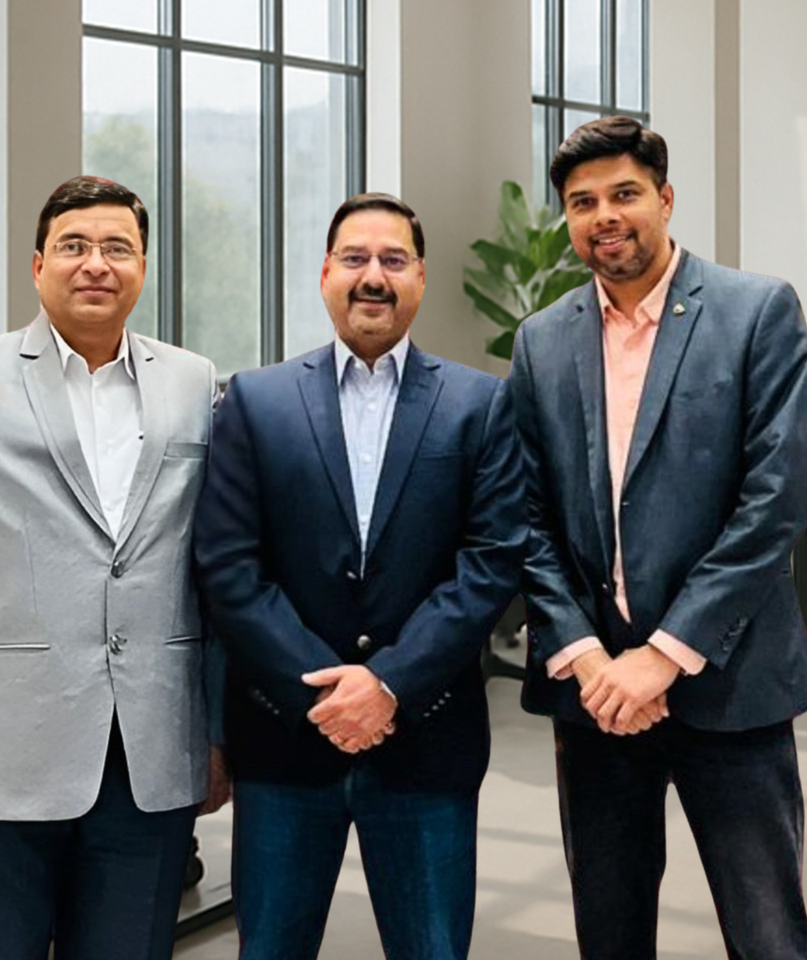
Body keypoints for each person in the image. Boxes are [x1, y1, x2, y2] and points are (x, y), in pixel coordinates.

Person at [0, 176, 226, 960]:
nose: (96, 263)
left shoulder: (194, 382)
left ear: (142, 267)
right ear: (38, 266)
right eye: (74, 246)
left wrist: (215, 734)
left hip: (150, 756)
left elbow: (212, 573)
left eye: (117, 248)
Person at [509, 116, 807, 960]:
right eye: (583, 203)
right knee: (609, 930)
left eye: (624, 194)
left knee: (766, 933)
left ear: (666, 199)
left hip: (730, 681)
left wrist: (664, 653)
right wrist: (586, 656)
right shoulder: (542, 341)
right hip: (598, 698)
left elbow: (773, 502)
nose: (604, 216)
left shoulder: (755, 311)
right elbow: (524, 515)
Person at [194, 192, 526, 960]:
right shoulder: (255, 401)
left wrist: (389, 685)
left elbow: (490, 563)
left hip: (427, 742)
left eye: (393, 260)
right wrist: (324, 692)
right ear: (324, 274)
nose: (373, 276)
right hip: (286, 741)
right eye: (355, 258)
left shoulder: (479, 405)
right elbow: (228, 565)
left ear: (420, 278)